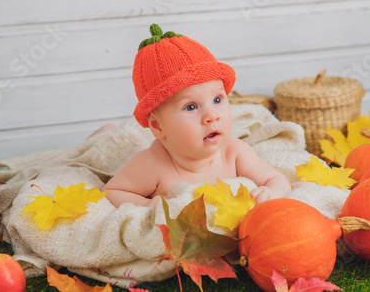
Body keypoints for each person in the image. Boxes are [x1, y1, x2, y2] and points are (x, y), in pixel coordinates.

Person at [103, 24, 291, 208]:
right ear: (158, 127)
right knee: (108, 138)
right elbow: (112, 192)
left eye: (217, 100)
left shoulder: (233, 153)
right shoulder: (153, 163)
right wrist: (148, 203)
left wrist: (271, 193)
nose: (212, 116)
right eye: (191, 107)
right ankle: (105, 132)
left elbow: (276, 179)